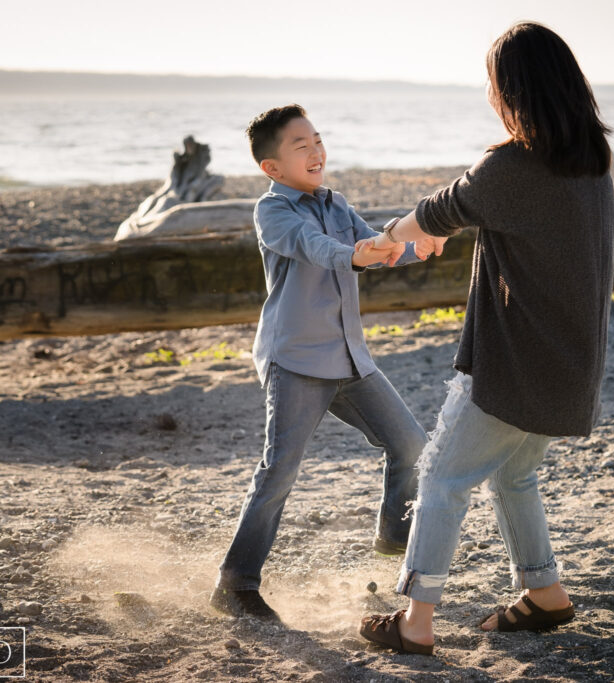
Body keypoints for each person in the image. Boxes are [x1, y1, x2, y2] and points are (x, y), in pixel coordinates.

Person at [357, 22, 614, 656]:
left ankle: (415, 622)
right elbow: (478, 214)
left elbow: (439, 208)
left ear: (513, 90)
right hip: (572, 365)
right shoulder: (593, 163)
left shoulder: (508, 168)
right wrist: (445, 224)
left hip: (514, 367)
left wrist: (391, 235)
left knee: (443, 476)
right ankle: (545, 594)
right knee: (515, 477)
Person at [211, 104, 431, 622]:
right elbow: (318, 248)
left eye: (317, 140)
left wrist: (418, 245)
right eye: (300, 146)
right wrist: (355, 253)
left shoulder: (337, 203)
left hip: (351, 358)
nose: (315, 152)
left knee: (411, 445)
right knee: (279, 472)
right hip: (297, 362)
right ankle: (234, 584)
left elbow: (377, 247)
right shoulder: (273, 213)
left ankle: (393, 540)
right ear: (272, 167)